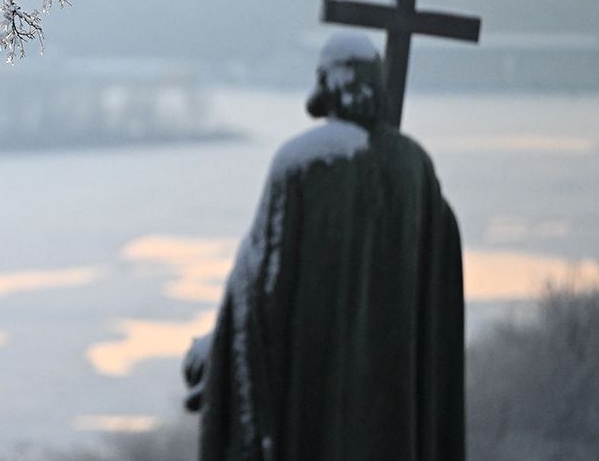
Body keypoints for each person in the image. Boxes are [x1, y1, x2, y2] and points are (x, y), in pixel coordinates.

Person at [183, 33, 464, 460]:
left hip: (312, 405)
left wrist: (217, 354)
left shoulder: (302, 164)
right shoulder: (415, 168)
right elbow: (439, 269)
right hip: (394, 409)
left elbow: (260, 291)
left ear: (329, 83)